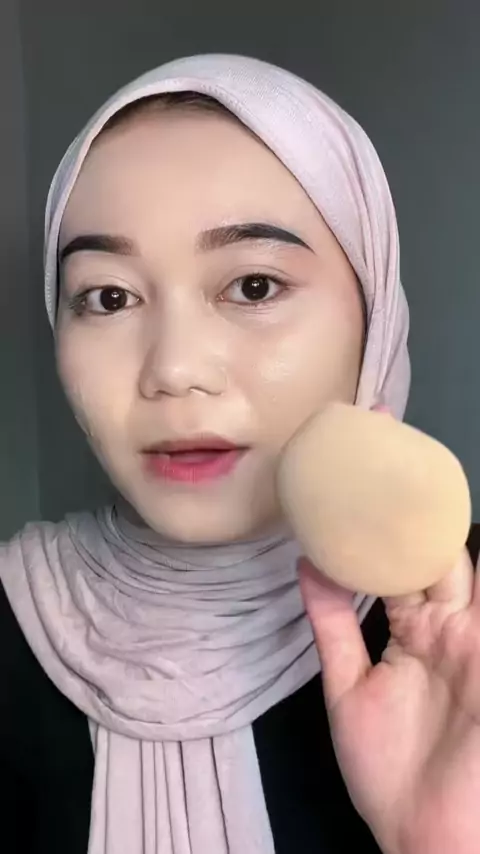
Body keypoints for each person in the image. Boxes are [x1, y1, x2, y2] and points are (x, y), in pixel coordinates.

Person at [1, 53, 479, 854]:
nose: (174, 369)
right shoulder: (17, 622)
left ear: (375, 316)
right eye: (109, 298)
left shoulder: (461, 647)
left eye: (253, 286)